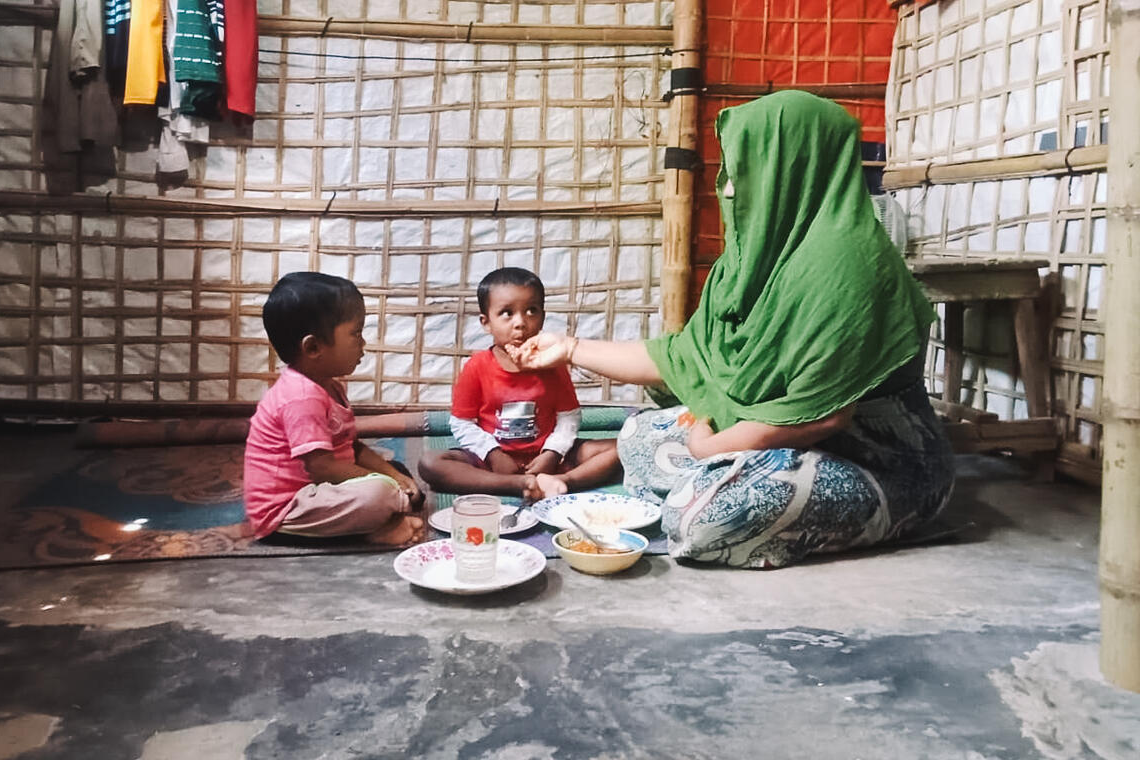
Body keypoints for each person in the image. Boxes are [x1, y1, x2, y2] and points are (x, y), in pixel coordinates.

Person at [510, 91, 954, 568]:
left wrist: (710, 446)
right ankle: (716, 477)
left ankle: (729, 495)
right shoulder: (750, 262)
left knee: (704, 513)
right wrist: (570, 347)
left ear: (794, 167)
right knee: (639, 436)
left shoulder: (848, 268)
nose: (727, 189)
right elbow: (682, 356)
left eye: (743, 169)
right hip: (782, 440)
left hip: (875, 461)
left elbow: (823, 418)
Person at [243, 272, 425, 544]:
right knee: (379, 493)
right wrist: (388, 485)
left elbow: (351, 447)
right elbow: (322, 468)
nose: (363, 343)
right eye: (356, 333)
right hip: (290, 507)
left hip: (323, 488)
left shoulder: (328, 386)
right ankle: (376, 530)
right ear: (314, 347)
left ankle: (381, 510)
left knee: (396, 472)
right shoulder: (300, 397)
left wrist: (394, 476)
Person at [419, 266, 621, 500]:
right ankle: (513, 484)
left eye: (531, 311)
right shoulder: (477, 366)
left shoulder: (553, 364)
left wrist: (552, 453)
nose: (520, 323)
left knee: (621, 447)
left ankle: (561, 482)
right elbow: (462, 423)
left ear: (542, 317)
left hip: (551, 458)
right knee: (430, 463)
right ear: (486, 322)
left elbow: (569, 417)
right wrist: (493, 453)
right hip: (492, 463)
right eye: (507, 313)